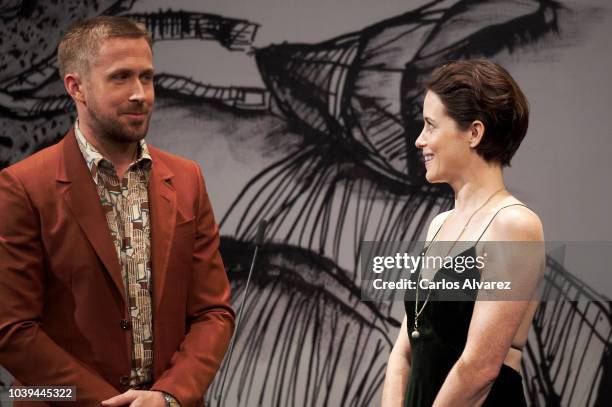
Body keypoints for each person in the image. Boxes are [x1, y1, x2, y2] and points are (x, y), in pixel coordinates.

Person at [0, 16, 235, 407]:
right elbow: (11, 330)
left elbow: (213, 311)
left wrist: (168, 395)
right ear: (76, 87)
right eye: (120, 77)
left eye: (147, 77)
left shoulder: (187, 178)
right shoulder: (24, 185)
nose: (140, 94)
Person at [381, 59, 544, 406]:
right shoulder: (439, 224)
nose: (419, 141)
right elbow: (404, 351)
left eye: (429, 126)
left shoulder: (514, 225)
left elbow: (480, 367)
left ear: (474, 133)